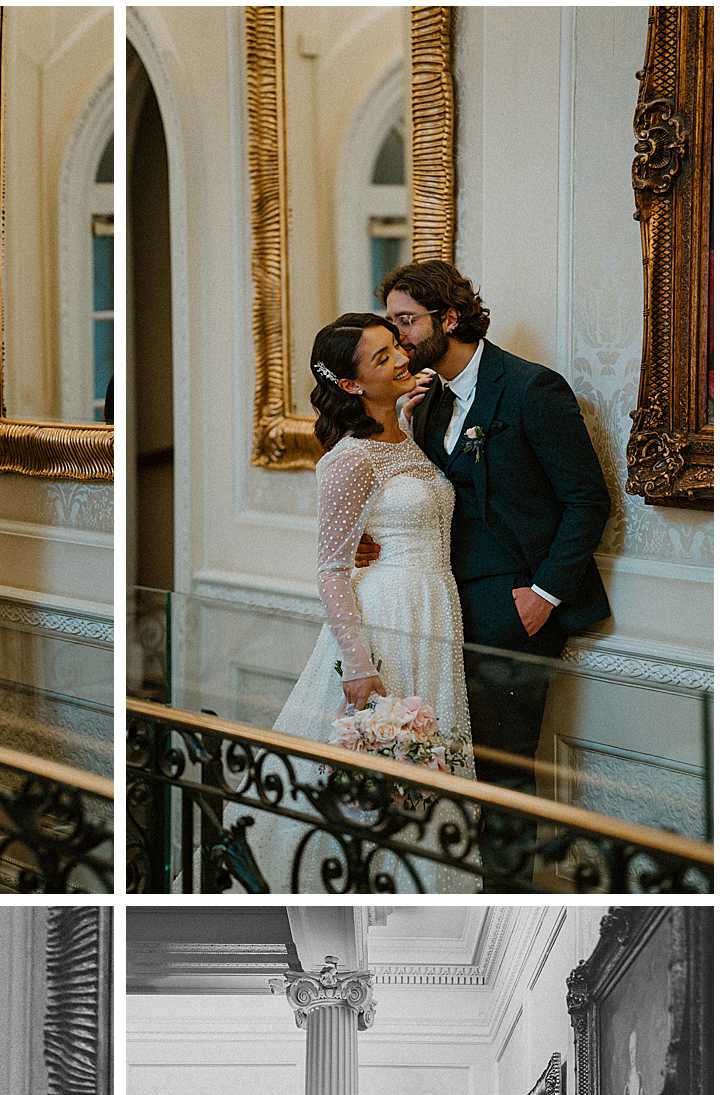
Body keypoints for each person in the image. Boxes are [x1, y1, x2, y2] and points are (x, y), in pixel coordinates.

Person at [378, 260, 612, 879]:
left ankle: (507, 895)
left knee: (505, 772)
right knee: (449, 765)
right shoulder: (424, 401)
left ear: (449, 318)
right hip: (440, 607)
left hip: (514, 611)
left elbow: (587, 500)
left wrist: (543, 595)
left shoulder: (532, 389)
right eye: (393, 321)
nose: (398, 335)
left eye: (406, 320)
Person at [245, 312, 477, 896]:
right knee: (380, 776)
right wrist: (360, 665)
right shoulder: (347, 459)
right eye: (382, 358)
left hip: (434, 608)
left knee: (427, 769)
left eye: (396, 345)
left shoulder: (403, 427)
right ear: (351, 385)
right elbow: (331, 571)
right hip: (389, 620)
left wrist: (406, 408)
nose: (402, 357)